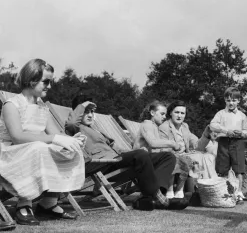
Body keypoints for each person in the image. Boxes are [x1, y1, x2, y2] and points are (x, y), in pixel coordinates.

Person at [0, 59, 86, 226]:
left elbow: (55, 134)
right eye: (46, 81)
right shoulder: (11, 105)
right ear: (32, 80)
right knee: (39, 148)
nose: (50, 86)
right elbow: (17, 136)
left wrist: (71, 140)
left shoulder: (42, 108)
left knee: (63, 149)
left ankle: (48, 203)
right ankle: (24, 205)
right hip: (8, 153)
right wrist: (54, 139)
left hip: (30, 150)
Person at [65, 97, 189, 211]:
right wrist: (83, 105)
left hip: (116, 160)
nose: (90, 115)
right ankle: (159, 199)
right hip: (103, 164)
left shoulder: (95, 130)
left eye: (92, 111)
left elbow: (115, 147)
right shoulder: (76, 128)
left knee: (168, 156)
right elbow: (71, 123)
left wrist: (130, 153)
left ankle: (150, 198)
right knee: (140, 154)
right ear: (78, 112)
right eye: (86, 111)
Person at [158, 100, 218, 199]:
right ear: (170, 113)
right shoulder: (164, 127)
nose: (179, 116)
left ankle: (208, 189)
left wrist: (206, 134)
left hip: (183, 155)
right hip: (169, 155)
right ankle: (172, 189)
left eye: (182, 113)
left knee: (206, 157)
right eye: (177, 112)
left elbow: (197, 145)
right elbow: (163, 148)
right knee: (179, 158)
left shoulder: (185, 127)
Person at [210, 87, 247, 204]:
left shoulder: (242, 115)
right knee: (222, 168)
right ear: (225, 101)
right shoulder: (220, 114)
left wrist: (241, 133)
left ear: (238, 101)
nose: (231, 103)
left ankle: (239, 193)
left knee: (239, 169)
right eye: (228, 100)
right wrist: (226, 130)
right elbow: (212, 125)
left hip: (237, 142)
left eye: (233, 100)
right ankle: (223, 193)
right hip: (224, 141)